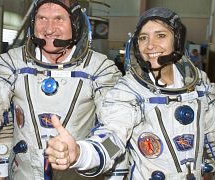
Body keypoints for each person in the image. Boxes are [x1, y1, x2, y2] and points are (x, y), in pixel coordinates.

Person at [45, 7, 215, 179]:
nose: (150, 45)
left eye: (161, 35)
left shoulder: (199, 85)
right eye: (143, 38)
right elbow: (113, 138)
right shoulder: (128, 91)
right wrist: (82, 154)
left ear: (177, 40)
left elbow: (212, 136)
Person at [0, 0, 126, 179]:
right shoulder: (10, 62)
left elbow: (117, 131)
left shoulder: (101, 69)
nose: (49, 29)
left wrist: (83, 154)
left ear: (75, 24)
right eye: (42, 18)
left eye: (59, 18)